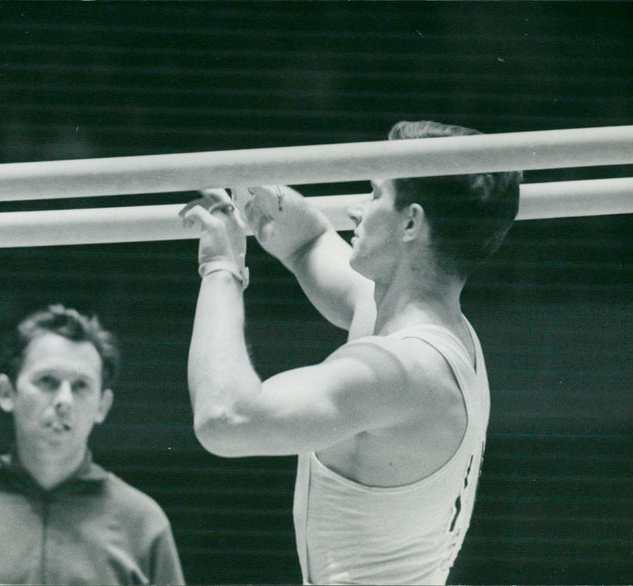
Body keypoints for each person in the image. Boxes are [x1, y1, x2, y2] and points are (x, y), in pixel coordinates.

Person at [180, 120, 522, 585]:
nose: (353, 210)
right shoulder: (418, 323)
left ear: (411, 223)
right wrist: (260, 195)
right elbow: (308, 242)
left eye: (374, 194)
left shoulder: (400, 373)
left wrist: (220, 267)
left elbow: (224, 418)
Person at [0, 304, 185, 585]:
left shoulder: (145, 523)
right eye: (47, 381)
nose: (64, 400)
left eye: (80, 386)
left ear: (102, 405)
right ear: (6, 392)